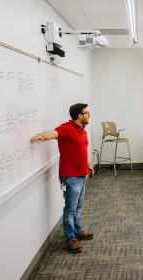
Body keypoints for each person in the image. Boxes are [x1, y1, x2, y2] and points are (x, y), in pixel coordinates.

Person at [30, 103, 95, 253]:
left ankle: (78, 231)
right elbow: (53, 134)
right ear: (79, 115)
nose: (89, 115)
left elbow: (81, 151)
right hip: (70, 177)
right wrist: (41, 136)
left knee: (78, 207)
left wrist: (88, 165)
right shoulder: (66, 128)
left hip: (82, 174)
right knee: (70, 209)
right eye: (87, 113)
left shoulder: (82, 130)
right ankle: (70, 239)